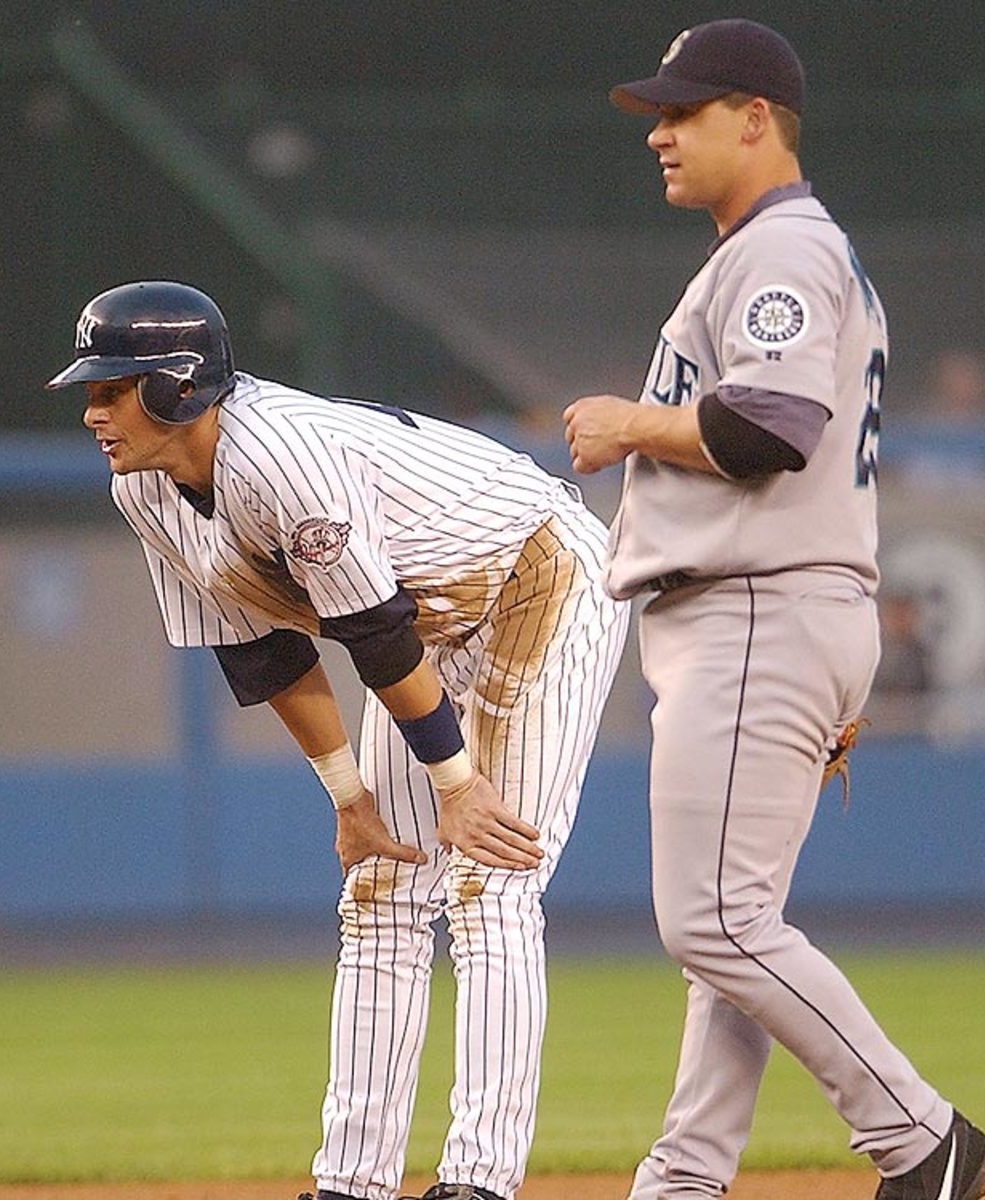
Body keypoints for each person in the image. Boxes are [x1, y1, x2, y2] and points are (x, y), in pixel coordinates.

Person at [46, 279, 629, 1200]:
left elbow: (376, 634)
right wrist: (350, 797)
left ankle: (480, 1180)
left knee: (491, 881)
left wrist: (458, 784)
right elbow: (264, 653)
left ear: (178, 386)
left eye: (112, 389)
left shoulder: (280, 459)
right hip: (427, 630)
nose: (93, 412)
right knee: (381, 885)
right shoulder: (147, 490)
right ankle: (352, 1182)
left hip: (534, 579)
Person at [563, 19, 985, 1200]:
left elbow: (766, 431)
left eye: (683, 110)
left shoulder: (783, 254)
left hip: (758, 608)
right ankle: (687, 1177)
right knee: (734, 920)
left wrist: (625, 422)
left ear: (756, 118)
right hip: (770, 610)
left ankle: (922, 1139)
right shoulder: (771, 254)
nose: (658, 132)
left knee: (711, 921)